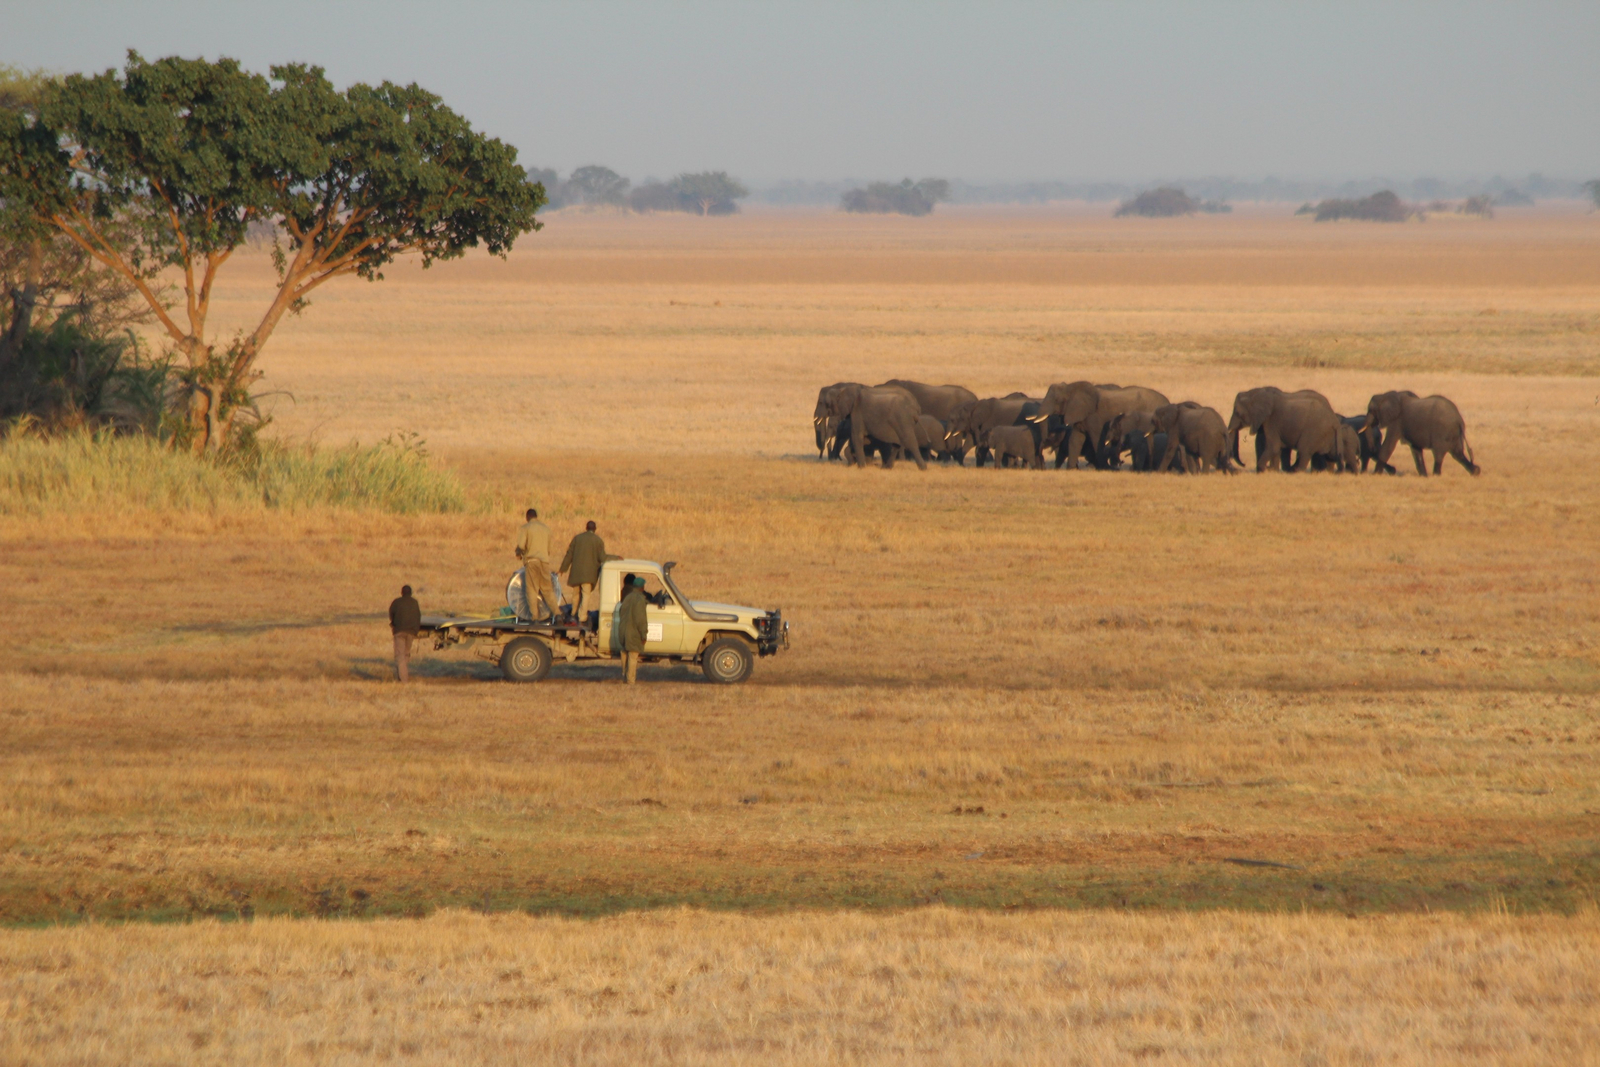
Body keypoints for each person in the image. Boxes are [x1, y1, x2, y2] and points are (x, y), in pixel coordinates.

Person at [559, 520, 620, 624]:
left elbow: (569, 555)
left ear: (586, 528)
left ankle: (573, 614)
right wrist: (616, 557)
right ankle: (582, 616)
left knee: (576, 595)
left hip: (576, 574)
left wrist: (562, 569)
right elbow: (602, 557)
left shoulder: (577, 538)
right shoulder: (598, 540)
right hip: (588, 576)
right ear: (595, 529)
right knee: (585, 595)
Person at [514, 507, 563, 621]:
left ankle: (534, 616)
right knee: (547, 589)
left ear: (527, 517)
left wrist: (519, 553)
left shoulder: (526, 528)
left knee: (531, 589)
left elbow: (521, 545)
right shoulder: (546, 529)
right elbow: (549, 549)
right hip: (544, 562)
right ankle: (557, 613)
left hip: (532, 562)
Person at [618, 574, 649, 685]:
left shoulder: (628, 597)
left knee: (625, 653)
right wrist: (643, 634)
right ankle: (630, 681)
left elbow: (621, 611)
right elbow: (640, 619)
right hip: (633, 631)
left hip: (623, 630)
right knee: (633, 655)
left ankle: (624, 676)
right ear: (642, 587)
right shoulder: (640, 599)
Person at [388, 584, 421, 683]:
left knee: (400, 656)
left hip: (399, 631)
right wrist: (416, 630)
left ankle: (403, 680)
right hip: (411, 632)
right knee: (406, 654)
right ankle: (402, 676)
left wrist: (394, 625)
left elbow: (391, 614)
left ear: (402, 592)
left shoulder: (396, 602)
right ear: (411, 593)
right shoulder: (415, 603)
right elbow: (418, 616)